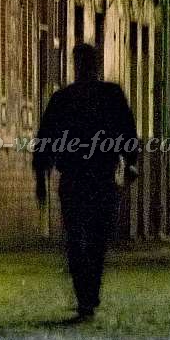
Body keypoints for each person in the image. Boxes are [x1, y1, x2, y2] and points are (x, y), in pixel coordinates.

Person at [33, 43, 139, 320]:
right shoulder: (111, 96)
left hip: (74, 180)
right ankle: (89, 293)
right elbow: (128, 132)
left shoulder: (63, 99)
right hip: (102, 179)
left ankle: (85, 296)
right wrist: (131, 162)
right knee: (96, 240)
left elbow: (45, 139)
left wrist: (41, 177)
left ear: (76, 66)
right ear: (97, 65)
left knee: (76, 239)